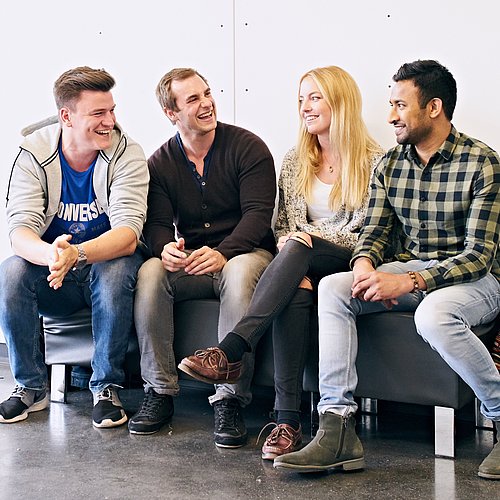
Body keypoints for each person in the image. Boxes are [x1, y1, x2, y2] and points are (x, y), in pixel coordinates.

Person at [272, 59, 500, 479]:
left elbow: (479, 256)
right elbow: (373, 233)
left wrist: (410, 279)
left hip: (474, 280)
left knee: (435, 314)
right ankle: (337, 427)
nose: (390, 114)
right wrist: (363, 265)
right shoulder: (391, 165)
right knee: (336, 288)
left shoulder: (482, 163)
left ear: (433, 107)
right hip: (410, 269)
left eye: (399, 105)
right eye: (390, 103)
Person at [178, 65, 383, 459]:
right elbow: (284, 225)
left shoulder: (376, 162)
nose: (305, 107)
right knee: (296, 286)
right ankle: (287, 424)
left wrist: (305, 240)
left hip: (351, 258)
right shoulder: (296, 159)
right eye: (301, 99)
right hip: (300, 259)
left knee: (298, 250)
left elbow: (369, 232)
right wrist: (296, 242)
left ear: (340, 101)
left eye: (314, 97)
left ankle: (232, 349)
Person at [127, 68, 276, 446]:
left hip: (246, 252)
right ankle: (159, 391)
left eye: (207, 94)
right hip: (194, 258)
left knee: (241, 273)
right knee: (150, 272)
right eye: (193, 99)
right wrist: (167, 249)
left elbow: (258, 216)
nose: (207, 103)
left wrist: (224, 253)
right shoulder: (160, 163)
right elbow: (158, 224)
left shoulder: (248, 146)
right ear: (171, 112)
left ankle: (230, 399)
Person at [0, 66, 149, 428]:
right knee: (11, 271)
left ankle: (106, 387)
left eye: (112, 110)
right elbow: (19, 230)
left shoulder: (127, 153)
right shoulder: (33, 153)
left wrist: (77, 254)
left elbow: (129, 233)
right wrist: (53, 255)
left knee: (114, 269)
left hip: (106, 266)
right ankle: (30, 387)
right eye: (98, 113)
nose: (110, 121)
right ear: (66, 116)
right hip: (57, 276)